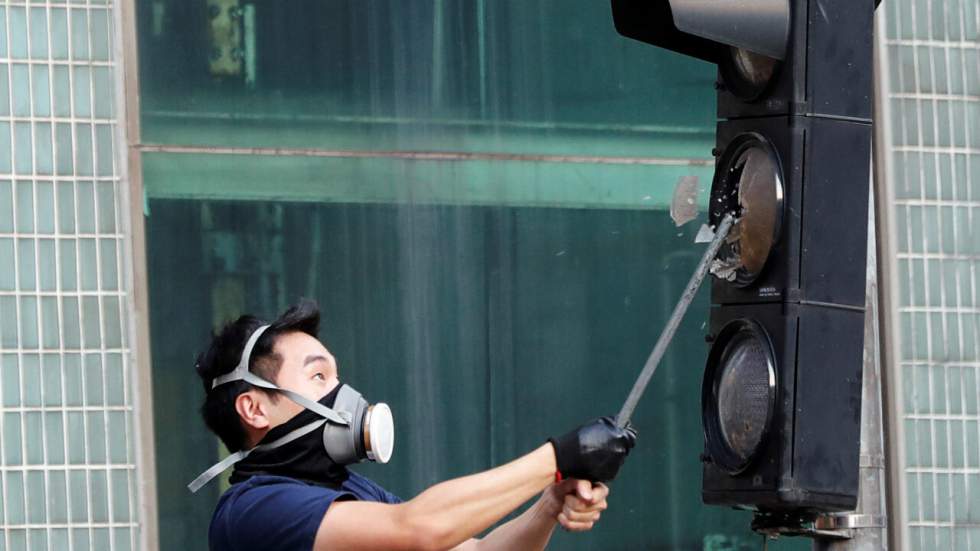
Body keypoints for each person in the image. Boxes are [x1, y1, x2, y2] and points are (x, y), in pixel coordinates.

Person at [193, 299, 637, 551]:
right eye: (317, 377)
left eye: (335, 375)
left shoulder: (350, 491)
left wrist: (549, 499)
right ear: (254, 409)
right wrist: (557, 457)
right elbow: (420, 529)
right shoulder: (252, 510)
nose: (341, 392)